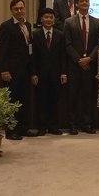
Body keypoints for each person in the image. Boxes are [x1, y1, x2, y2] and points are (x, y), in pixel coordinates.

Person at [64, 0, 99, 135]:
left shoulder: (97, 22)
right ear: (77, 4)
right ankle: (72, 124)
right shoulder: (69, 22)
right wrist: (78, 60)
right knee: (73, 96)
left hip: (90, 66)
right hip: (74, 66)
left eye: (87, 1)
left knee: (88, 96)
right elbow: (67, 44)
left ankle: (87, 124)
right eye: (82, 1)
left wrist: (89, 59)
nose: (85, 3)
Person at [0, 0, 37, 140]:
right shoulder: (6, 26)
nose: (19, 11)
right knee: (12, 101)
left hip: (26, 71)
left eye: (21, 8)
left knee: (24, 100)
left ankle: (23, 128)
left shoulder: (28, 25)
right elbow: (2, 50)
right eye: (16, 9)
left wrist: (33, 72)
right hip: (12, 72)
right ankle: (11, 131)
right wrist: (4, 70)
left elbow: (30, 50)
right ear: (12, 10)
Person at [31, 8, 67, 136]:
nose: (48, 20)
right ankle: (42, 127)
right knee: (41, 100)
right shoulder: (35, 34)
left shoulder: (60, 34)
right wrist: (34, 73)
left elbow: (63, 56)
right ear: (41, 19)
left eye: (51, 17)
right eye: (46, 17)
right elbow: (33, 56)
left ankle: (53, 126)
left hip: (56, 74)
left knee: (55, 100)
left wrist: (63, 73)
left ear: (54, 19)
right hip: (40, 75)